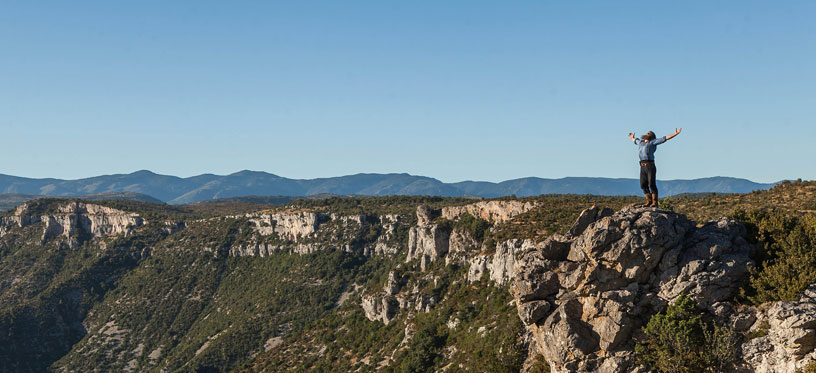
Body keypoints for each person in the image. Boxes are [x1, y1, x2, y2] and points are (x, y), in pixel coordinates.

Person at [627, 128, 682, 207]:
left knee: (651, 184)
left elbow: (665, 138)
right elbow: (635, 140)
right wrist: (631, 137)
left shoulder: (653, 142)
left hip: (650, 165)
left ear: (652, 137)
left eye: (649, 133)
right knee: (643, 185)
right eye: (647, 132)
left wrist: (675, 134)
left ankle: (655, 203)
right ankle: (649, 201)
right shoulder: (641, 142)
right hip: (642, 166)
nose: (648, 133)